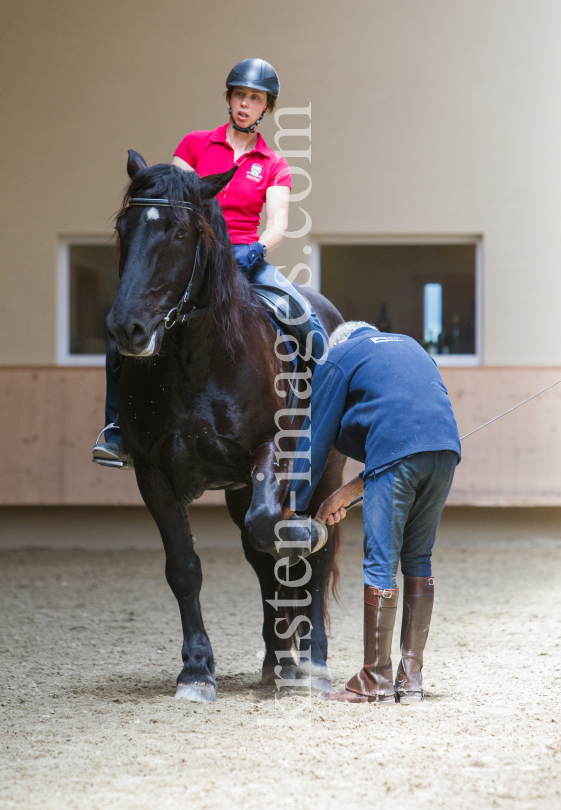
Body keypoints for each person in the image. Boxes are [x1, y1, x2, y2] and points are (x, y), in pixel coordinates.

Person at [93, 58, 327, 468]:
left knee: (303, 319)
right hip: (196, 260)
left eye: (254, 99)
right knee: (122, 322)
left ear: (266, 108)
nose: (244, 104)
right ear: (229, 98)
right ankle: (116, 428)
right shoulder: (196, 144)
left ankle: (309, 425)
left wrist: (255, 249)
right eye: (239, 95)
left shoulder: (273, 165)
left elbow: (279, 226)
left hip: (244, 258)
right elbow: (170, 203)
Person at [283, 321, 462, 704]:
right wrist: (346, 492)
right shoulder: (410, 344)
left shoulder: (338, 356)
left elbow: (317, 438)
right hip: (446, 450)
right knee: (418, 559)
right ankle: (409, 680)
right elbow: (403, 428)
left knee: (380, 562)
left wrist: (295, 504)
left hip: (399, 453)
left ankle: (374, 679)